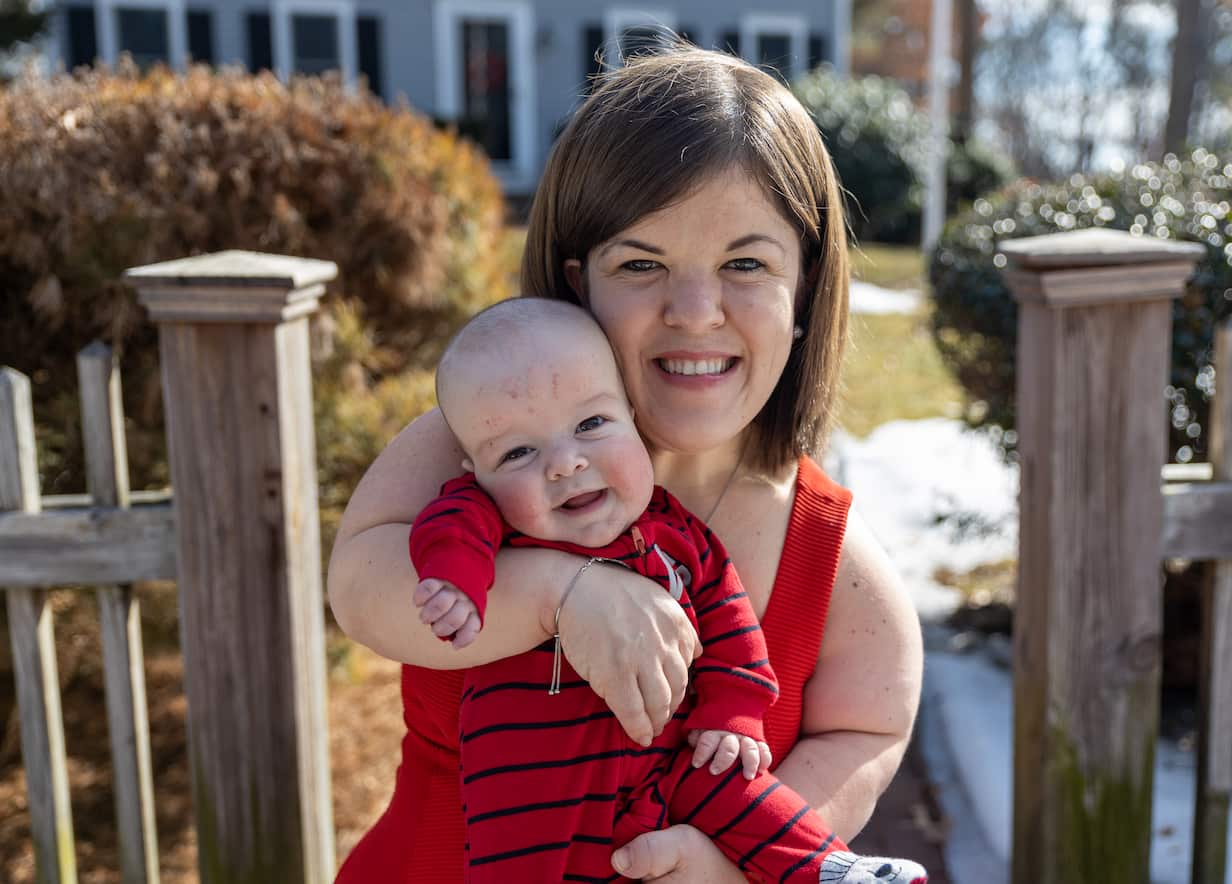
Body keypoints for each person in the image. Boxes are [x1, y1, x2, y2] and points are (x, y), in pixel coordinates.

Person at [329, 45, 925, 884]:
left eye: (746, 264)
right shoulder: (490, 440)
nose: (695, 311)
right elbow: (360, 584)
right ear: (579, 284)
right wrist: (554, 595)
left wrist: (732, 859)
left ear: (804, 289)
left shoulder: (830, 554)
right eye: (642, 264)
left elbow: (868, 730)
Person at [406, 297, 927, 883]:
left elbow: (730, 619)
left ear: (632, 416)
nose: (565, 463)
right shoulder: (494, 519)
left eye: (591, 425)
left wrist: (733, 712)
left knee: (734, 783)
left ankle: (825, 868)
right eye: (519, 452)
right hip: (537, 780)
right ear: (475, 470)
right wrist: (456, 583)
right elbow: (448, 529)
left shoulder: (676, 533)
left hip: (669, 761)